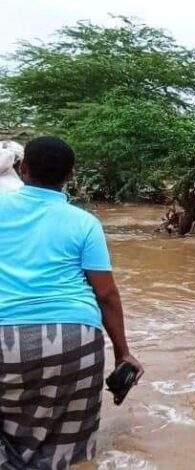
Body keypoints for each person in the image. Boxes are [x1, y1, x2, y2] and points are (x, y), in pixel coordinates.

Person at [0, 136, 143, 468]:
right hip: (74, 340)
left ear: (23, 168)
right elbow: (106, 294)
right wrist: (123, 353)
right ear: (72, 175)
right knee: (67, 449)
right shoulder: (85, 223)